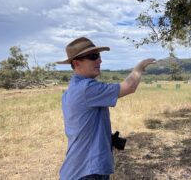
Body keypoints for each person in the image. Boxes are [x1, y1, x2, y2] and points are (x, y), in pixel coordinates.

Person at [56, 37, 155, 180]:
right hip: (87, 172)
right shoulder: (86, 89)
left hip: (80, 169)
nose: (99, 61)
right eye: (93, 56)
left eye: (99, 56)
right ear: (76, 63)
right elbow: (129, 86)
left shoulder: (71, 91)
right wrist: (139, 67)